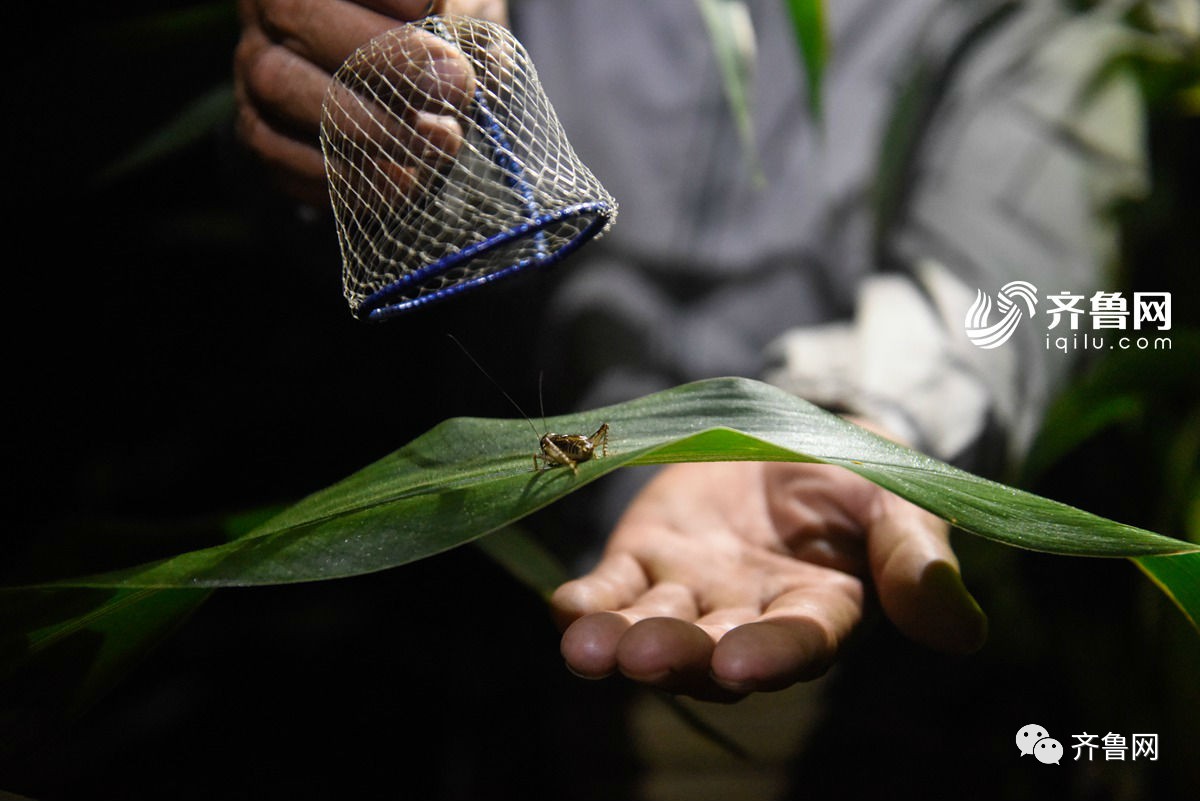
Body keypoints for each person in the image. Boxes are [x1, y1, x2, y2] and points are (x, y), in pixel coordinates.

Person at [234, 0, 1133, 701]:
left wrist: (858, 424)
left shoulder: (1044, 24)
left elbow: (1014, 270)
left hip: (855, 667)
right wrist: (339, 104)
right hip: (494, 611)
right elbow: (379, 208)